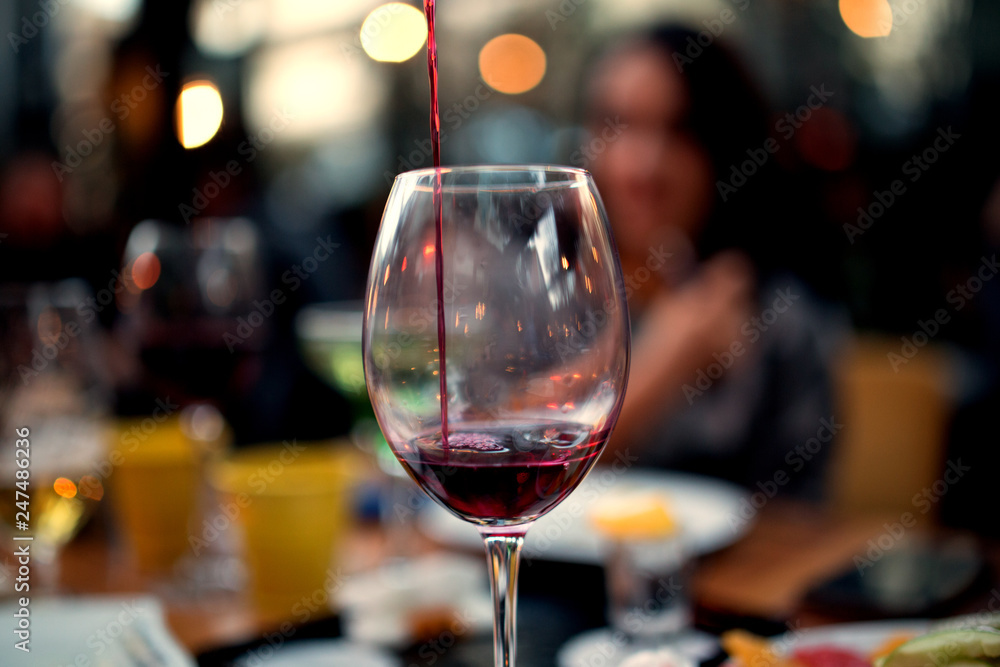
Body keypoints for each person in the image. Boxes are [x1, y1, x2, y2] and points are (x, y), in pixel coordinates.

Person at [583, 25, 848, 500]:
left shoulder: (777, 317)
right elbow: (507, 475)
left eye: (678, 131)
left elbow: (798, 520)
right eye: (620, 126)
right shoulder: (556, 297)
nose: (645, 166)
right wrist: (667, 357)